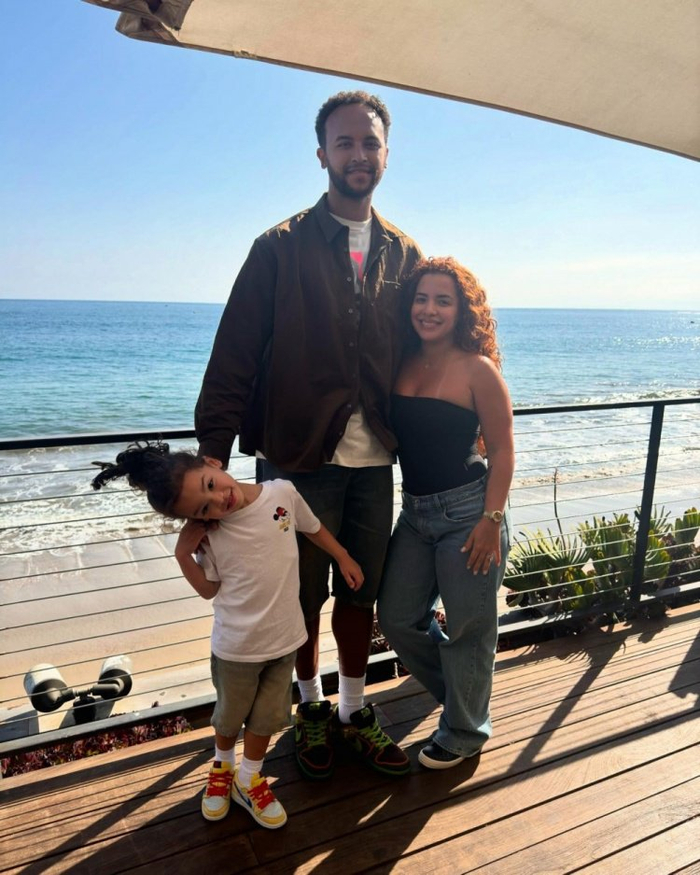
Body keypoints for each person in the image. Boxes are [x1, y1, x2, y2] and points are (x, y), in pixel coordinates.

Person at [195, 91, 422, 779]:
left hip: (374, 460)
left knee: (360, 591)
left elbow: (425, 352)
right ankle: (311, 707)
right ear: (322, 154)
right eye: (344, 142)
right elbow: (234, 354)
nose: (358, 154)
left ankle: (353, 709)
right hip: (294, 456)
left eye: (369, 142)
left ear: (386, 154)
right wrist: (212, 461)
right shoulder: (278, 247)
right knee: (296, 598)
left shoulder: (404, 253)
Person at [91, 441, 363, 828]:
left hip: (285, 640)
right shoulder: (212, 535)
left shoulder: (281, 494)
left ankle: (248, 779)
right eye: (204, 508)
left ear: (211, 463)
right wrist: (183, 556)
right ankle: (222, 768)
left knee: (266, 720)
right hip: (236, 649)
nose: (219, 499)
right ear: (196, 519)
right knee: (229, 719)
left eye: (210, 484)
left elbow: (313, 527)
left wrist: (343, 556)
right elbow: (209, 589)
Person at [377, 257, 514, 770]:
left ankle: (464, 730)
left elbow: (503, 452)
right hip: (414, 513)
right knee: (396, 618)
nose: (429, 309)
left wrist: (491, 522)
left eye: (442, 300)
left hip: (468, 513)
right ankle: (464, 697)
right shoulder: (401, 361)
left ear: (462, 310)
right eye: (421, 298)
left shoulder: (479, 369)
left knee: (469, 628)